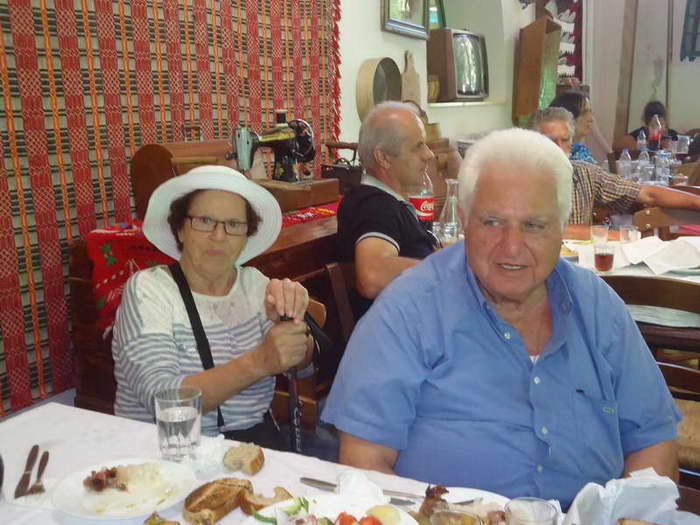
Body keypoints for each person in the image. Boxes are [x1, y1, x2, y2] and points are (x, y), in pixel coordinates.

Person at [321, 128, 680, 509]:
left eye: (534, 225)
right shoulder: (407, 311)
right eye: (491, 222)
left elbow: (653, 443)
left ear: (563, 227)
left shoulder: (598, 307)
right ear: (463, 220)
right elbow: (364, 466)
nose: (511, 247)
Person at [112, 165, 314, 449]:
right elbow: (162, 401)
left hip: (248, 448)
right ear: (180, 229)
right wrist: (259, 362)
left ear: (246, 236)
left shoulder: (256, 285)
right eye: (205, 221)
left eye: (234, 224)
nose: (219, 236)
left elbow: (301, 368)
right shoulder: (149, 290)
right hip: (162, 451)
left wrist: (291, 325)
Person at [337, 101, 438, 317]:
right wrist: (446, 268)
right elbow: (372, 275)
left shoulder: (385, 202)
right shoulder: (375, 205)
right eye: (417, 146)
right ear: (383, 157)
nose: (429, 154)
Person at [532, 107, 700, 224]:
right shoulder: (523, 179)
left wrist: (696, 202)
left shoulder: (586, 174)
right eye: (551, 141)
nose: (559, 147)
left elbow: (649, 194)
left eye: (564, 139)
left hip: (579, 261)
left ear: (571, 141)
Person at [548, 90, 597, 164]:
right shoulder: (552, 154)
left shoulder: (581, 152)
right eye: (584, 113)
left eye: (590, 112)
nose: (591, 119)